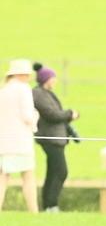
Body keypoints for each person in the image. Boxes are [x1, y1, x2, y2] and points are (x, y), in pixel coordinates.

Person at [31, 63, 78, 212]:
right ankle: (51, 205)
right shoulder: (39, 94)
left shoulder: (46, 94)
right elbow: (52, 115)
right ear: (47, 79)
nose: (55, 80)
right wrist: (70, 114)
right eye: (53, 78)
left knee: (52, 172)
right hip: (50, 138)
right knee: (61, 171)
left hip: (56, 138)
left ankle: (48, 206)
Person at [0, 59, 40, 213]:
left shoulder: (2, 91)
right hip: (20, 142)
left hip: (2, 143)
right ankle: (33, 212)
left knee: (2, 178)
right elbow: (28, 116)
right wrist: (36, 116)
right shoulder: (24, 89)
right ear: (21, 75)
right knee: (28, 176)